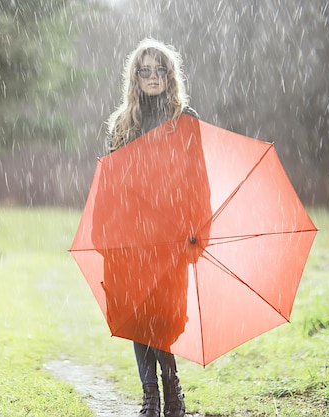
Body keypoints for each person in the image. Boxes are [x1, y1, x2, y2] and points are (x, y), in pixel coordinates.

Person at [104, 38, 199, 417]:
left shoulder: (183, 119)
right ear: (135, 76)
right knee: (137, 313)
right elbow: (108, 184)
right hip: (129, 235)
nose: (154, 76)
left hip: (172, 233)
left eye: (160, 69)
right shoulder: (122, 124)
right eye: (145, 70)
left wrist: (197, 226)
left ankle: (172, 388)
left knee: (166, 316)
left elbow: (198, 178)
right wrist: (105, 233)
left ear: (169, 74)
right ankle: (151, 397)